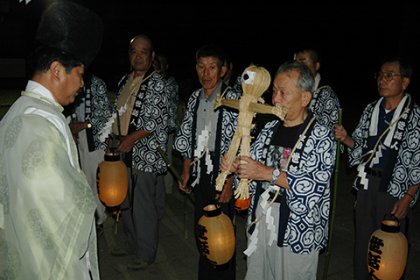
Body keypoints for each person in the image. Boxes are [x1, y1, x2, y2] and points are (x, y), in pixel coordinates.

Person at [0, 1, 103, 279]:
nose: (82, 85)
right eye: (80, 74)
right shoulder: (38, 124)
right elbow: (58, 206)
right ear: (57, 70)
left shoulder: (17, 112)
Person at [221, 61, 336, 279]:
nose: (275, 99)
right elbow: (252, 170)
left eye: (284, 92)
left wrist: (266, 173)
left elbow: (312, 187)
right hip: (262, 217)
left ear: (305, 98)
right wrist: (237, 168)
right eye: (274, 90)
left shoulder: (321, 136)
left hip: (297, 227)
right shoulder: (270, 129)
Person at [334, 56, 420, 280]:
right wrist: (346, 138)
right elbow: (364, 148)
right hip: (366, 185)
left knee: (389, 248)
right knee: (363, 241)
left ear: (405, 82)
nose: (383, 79)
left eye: (390, 75)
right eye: (380, 75)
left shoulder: (414, 115)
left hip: (394, 188)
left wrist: (408, 197)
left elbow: (418, 161)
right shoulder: (371, 109)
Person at [173, 44, 242, 279]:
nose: (206, 73)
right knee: (202, 229)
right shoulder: (194, 97)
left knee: (222, 233)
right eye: (201, 67)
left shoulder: (234, 99)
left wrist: (231, 181)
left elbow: (242, 141)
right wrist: (186, 169)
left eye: (212, 67)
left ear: (222, 70)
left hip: (223, 169)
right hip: (200, 168)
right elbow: (186, 135)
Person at [109, 34, 169, 270]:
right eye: (134, 51)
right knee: (124, 201)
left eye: (143, 51)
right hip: (122, 150)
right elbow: (118, 115)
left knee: (142, 204)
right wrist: (113, 139)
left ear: (152, 56)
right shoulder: (125, 80)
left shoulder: (157, 83)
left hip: (144, 154)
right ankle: (132, 242)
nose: (138, 56)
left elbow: (155, 121)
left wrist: (132, 138)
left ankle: (146, 251)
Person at [68, 73, 113, 232]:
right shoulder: (72, 79)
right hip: (78, 136)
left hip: (93, 138)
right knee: (83, 179)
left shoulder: (96, 83)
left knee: (94, 180)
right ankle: (89, 216)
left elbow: (107, 117)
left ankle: (99, 219)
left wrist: (85, 125)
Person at [294, 45, 340, 131]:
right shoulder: (294, 89)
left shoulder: (327, 96)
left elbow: (329, 134)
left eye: (303, 63)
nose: (298, 68)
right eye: (296, 64)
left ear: (317, 66)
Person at [155, 52, 179, 194]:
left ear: (167, 66)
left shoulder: (170, 83)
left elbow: (170, 109)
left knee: (167, 159)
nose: (160, 64)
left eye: (163, 62)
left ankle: (168, 189)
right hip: (155, 129)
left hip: (166, 128)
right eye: (158, 61)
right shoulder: (153, 80)